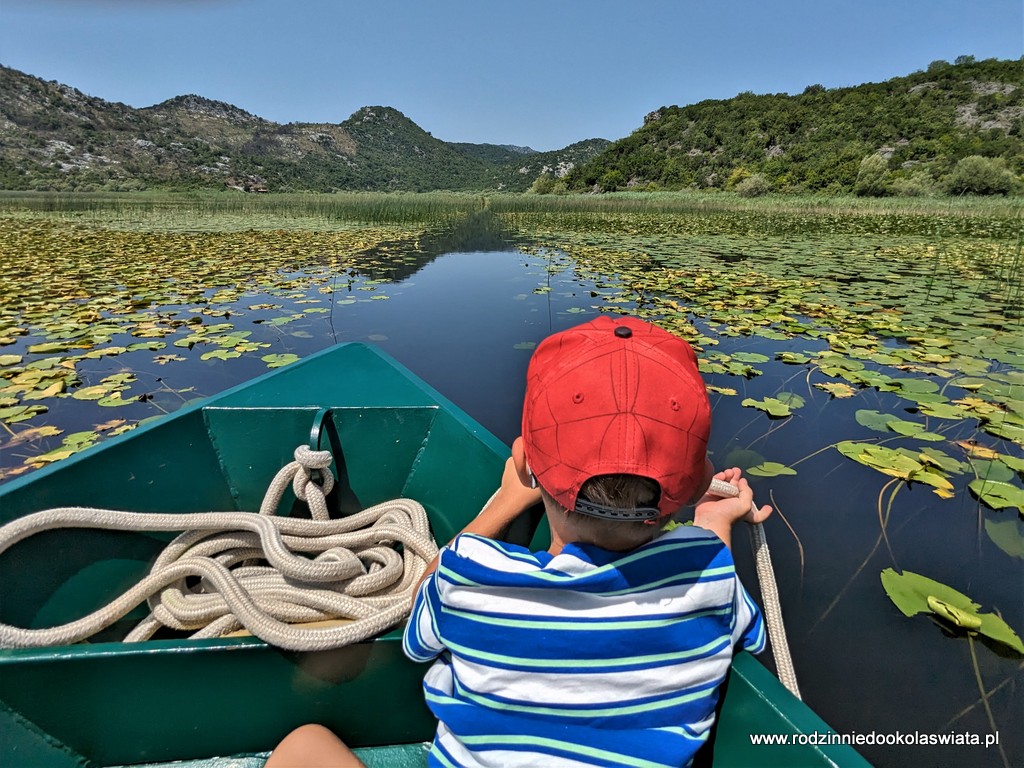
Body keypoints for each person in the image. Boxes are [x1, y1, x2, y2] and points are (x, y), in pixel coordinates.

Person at [267, 315, 771, 768]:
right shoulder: (711, 576)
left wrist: (504, 505)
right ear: (699, 480)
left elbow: (421, 628)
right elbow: (746, 630)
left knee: (304, 745)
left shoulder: (469, 572)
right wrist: (716, 519)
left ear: (526, 462)